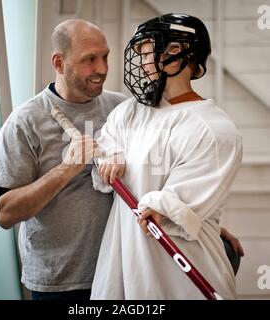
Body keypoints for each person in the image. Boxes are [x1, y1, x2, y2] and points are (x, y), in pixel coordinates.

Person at [90, 13, 243, 299]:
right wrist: (111, 155)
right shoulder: (128, 112)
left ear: (177, 52)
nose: (143, 60)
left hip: (183, 276)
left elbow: (176, 208)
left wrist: (163, 206)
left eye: (150, 49)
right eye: (141, 52)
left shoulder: (214, 129)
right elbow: (106, 146)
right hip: (125, 265)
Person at [0, 19, 127, 300]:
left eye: (105, 57)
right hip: (59, 284)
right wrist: (67, 169)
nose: (102, 69)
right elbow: (5, 213)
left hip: (119, 273)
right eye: (89, 59)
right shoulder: (25, 122)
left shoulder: (122, 109)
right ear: (59, 62)